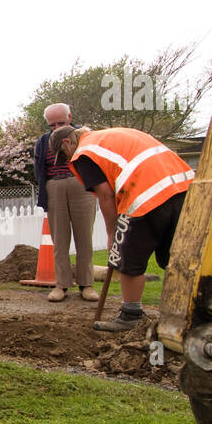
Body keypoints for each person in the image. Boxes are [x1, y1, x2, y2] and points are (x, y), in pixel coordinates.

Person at [50, 124, 195, 332]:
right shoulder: (111, 135)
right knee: (176, 258)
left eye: (63, 155)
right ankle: (191, 311)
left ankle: (131, 315)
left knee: (127, 258)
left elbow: (106, 195)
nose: (66, 159)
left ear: (67, 142)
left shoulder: (84, 153)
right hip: (184, 187)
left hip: (145, 193)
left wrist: (112, 233)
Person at [34, 103, 100, 303]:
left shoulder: (85, 136)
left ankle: (86, 285)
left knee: (84, 239)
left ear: (70, 117)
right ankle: (61, 285)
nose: (56, 128)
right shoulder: (43, 142)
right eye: (52, 125)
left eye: (60, 123)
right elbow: (39, 170)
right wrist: (45, 194)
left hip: (82, 186)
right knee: (60, 241)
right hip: (55, 188)